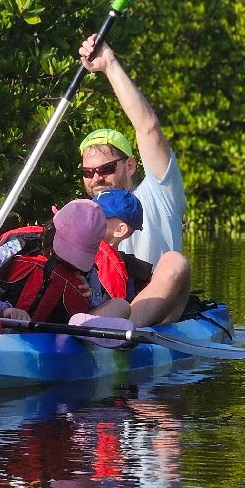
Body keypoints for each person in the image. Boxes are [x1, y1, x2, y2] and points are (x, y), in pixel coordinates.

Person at [77, 35, 192, 326]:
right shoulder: (82, 216)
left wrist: (109, 65)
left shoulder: (158, 192)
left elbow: (149, 128)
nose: (96, 179)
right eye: (88, 173)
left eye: (104, 169)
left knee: (175, 263)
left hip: (159, 314)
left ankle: (123, 330)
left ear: (130, 165)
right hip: (106, 309)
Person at [0, 199, 129, 325]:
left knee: (121, 306)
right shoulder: (18, 246)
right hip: (0, 323)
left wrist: (90, 297)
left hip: (58, 338)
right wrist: (4, 309)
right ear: (53, 230)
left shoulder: (88, 273)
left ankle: (84, 331)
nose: (71, 259)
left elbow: (97, 304)